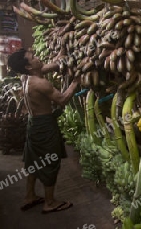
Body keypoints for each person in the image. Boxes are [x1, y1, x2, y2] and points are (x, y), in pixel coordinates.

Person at [7, 48, 79, 214]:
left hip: (34, 124)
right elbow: (62, 99)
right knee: (50, 161)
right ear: (29, 67)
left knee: (33, 160)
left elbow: (48, 67)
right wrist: (76, 81)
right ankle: (50, 202)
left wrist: (62, 54)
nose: (38, 58)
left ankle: (30, 195)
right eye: (33, 58)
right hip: (45, 126)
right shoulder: (40, 83)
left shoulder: (26, 76)